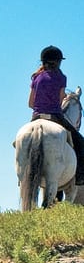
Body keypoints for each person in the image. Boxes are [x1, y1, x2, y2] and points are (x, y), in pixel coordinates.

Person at [29, 45, 84, 184]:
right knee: (80, 141)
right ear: (58, 62)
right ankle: (80, 176)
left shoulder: (36, 77)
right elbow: (60, 102)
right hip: (55, 116)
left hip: (36, 116)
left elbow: (30, 103)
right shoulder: (61, 78)